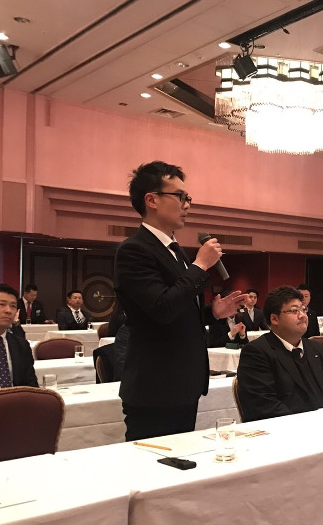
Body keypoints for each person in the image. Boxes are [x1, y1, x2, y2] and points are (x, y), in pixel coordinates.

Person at [115, 160, 248, 441]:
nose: (187, 205)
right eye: (180, 196)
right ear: (151, 200)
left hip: (183, 383)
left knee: (182, 461)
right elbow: (161, 308)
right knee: (153, 464)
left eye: (188, 198)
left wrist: (212, 313)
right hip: (155, 386)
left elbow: (178, 309)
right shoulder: (134, 250)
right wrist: (200, 265)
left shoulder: (175, 251)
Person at [237, 285, 323, 422]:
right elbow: (264, 405)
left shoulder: (316, 348)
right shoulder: (257, 353)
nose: (302, 315)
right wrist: (309, 423)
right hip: (286, 428)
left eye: (303, 309)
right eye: (294, 311)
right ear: (274, 319)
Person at [0, 283, 39, 391]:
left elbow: (31, 387)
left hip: (17, 400)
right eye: (1, 304)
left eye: (13, 306)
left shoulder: (21, 345)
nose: (8, 310)